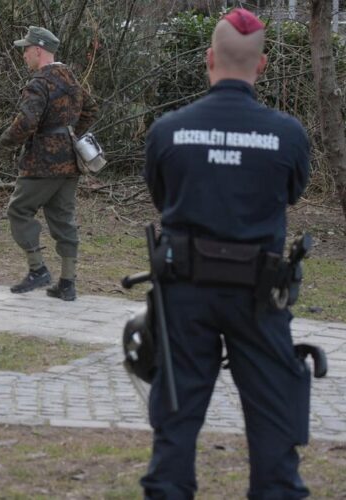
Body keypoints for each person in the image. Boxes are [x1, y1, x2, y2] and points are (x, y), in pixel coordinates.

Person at [141, 8, 312, 498]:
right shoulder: (287, 134)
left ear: (208, 59)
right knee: (275, 421)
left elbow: (163, 195)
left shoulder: (168, 130)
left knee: (176, 420)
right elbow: (292, 191)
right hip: (259, 296)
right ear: (261, 67)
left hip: (184, 295)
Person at [0, 26, 97, 300]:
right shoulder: (71, 80)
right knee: (63, 218)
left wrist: (7, 140)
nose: (23, 55)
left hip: (42, 162)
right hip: (71, 163)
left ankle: (37, 269)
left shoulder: (39, 83)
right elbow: (91, 109)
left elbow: (27, 122)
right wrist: (69, 133)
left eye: (26, 49)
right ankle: (68, 283)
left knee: (19, 210)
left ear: (39, 50)